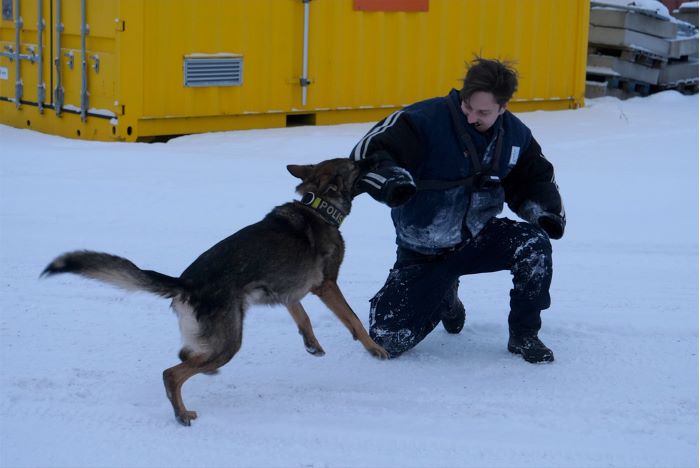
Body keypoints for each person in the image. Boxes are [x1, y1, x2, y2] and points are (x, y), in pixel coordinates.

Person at [350, 57, 565, 363]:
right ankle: (445, 298)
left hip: (477, 238)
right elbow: (369, 152)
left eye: (483, 112)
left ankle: (524, 334)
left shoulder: (515, 137)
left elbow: (535, 177)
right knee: (387, 340)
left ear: (503, 108)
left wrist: (544, 211)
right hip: (422, 247)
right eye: (467, 106)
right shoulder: (424, 119)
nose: (471, 116)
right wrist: (391, 179)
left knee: (533, 245)